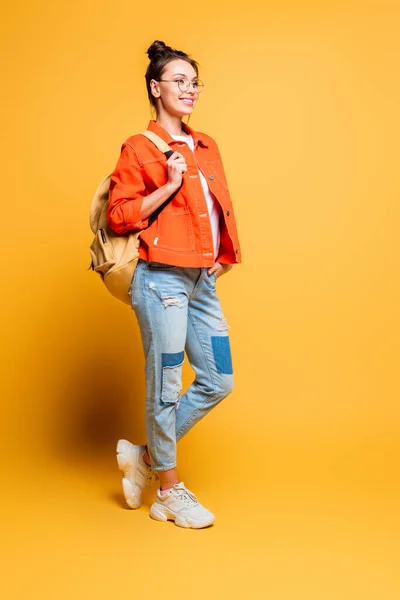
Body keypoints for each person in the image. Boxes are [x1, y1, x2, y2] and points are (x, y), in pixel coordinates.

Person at [107, 40, 242, 528]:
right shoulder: (139, 148)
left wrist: (224, 256)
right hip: (159, 277)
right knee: (166, 386)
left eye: (194, 82)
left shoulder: (207, 144)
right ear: (155, 87)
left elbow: (218, 206)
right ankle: (168, 490)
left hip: (200, 280)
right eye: (178, 81)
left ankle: (143, 458)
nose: (189, 90)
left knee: (219, 378)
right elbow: (119, 215)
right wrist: (166, 185)